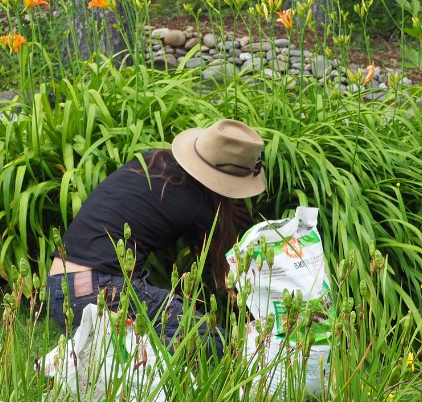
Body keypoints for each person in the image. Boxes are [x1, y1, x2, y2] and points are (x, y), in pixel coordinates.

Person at [46, 118, 266, 358]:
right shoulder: (198, 206)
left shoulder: (154, 161)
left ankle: (102, 347)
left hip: (58, 292)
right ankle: (114, 356)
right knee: (216, 340)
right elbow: (229, 275)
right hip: (102, 291)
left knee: (157, 328)